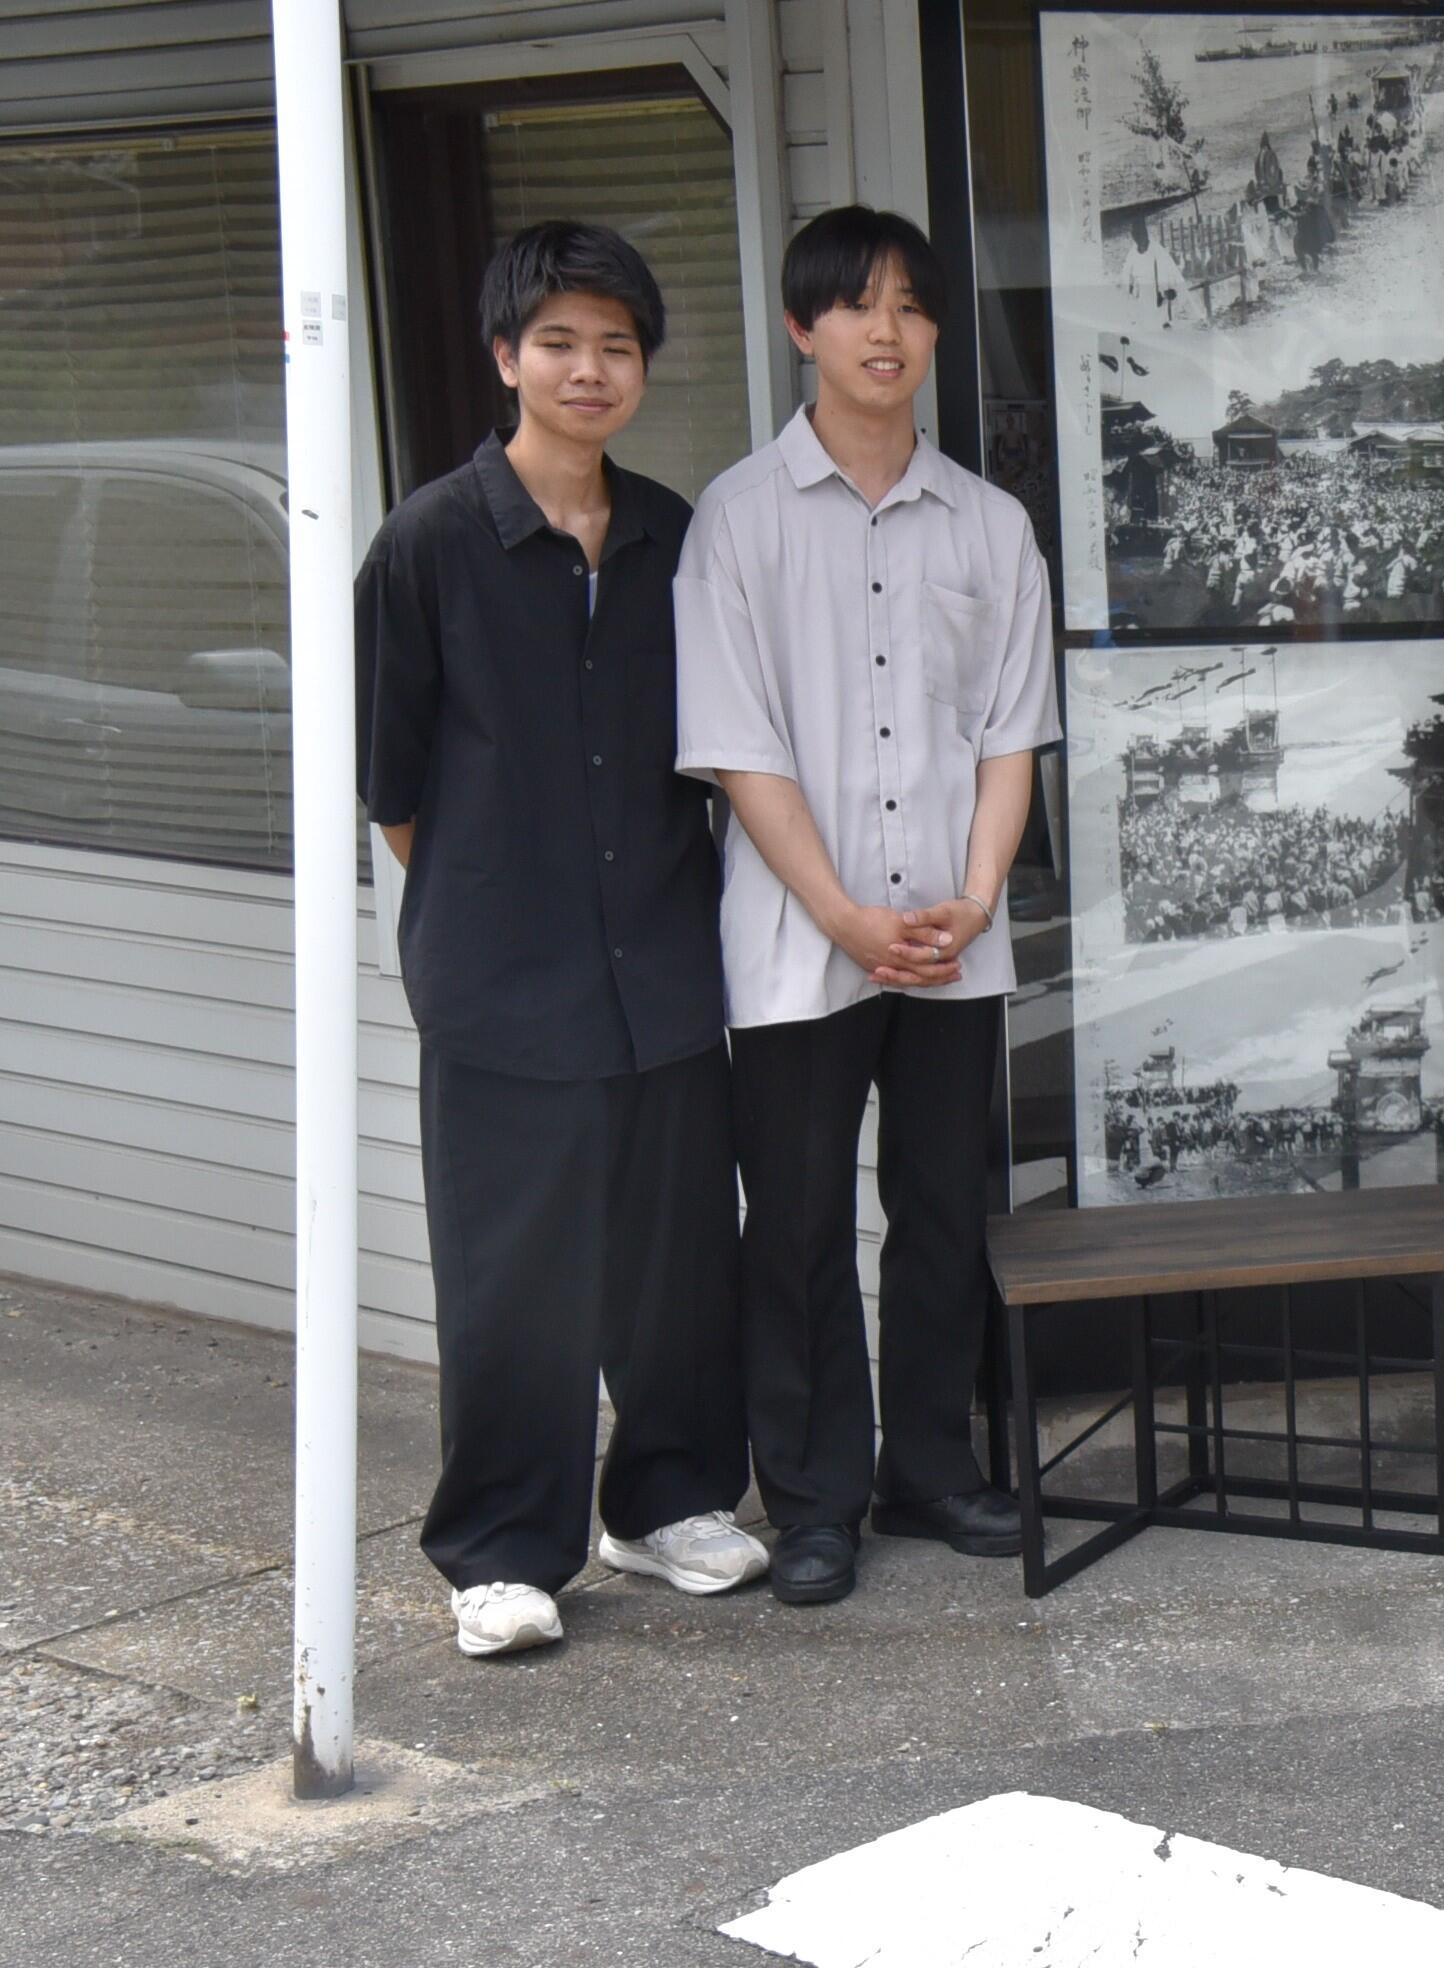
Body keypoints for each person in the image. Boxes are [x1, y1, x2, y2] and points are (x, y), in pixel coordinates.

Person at [357, 222, 764, 1661]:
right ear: (504, 358)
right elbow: (396, 791)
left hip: (660, 966)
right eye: (559, 344)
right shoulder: (427, 543)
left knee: (672, 1264)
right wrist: (502, 899)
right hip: (502, 981)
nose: (589, 370)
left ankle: (662, 1504)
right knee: (513, 1276)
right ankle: (502, 1548)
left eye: (617, 346)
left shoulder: (671, 535)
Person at [675, 208, 1062, 1607]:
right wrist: (843, 913)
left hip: (953, 938)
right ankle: (818, 1494)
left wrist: (971, 897)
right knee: (792, 1225)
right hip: (797, 943)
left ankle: (934, 1471)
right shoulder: (735, 521)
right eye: (853, 306)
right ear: (801, 329)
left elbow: (1011, 735)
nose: (884, 331)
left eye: (908, 305)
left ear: (936, 330)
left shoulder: (994, 525)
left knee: (945, 1211)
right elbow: (737, 744)